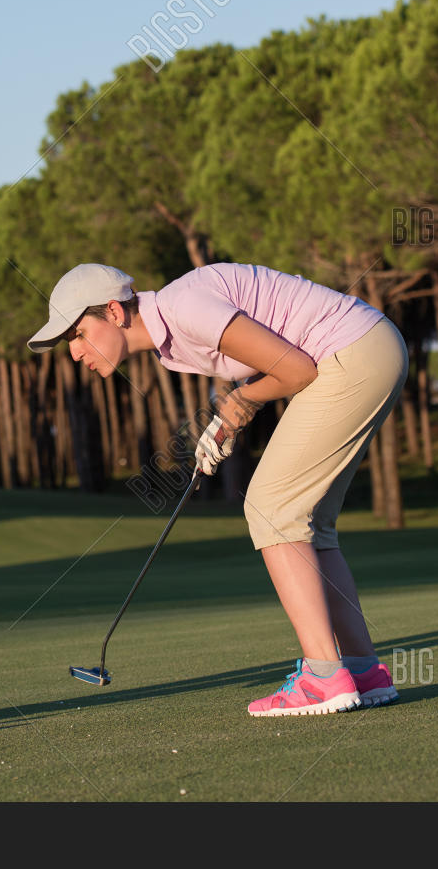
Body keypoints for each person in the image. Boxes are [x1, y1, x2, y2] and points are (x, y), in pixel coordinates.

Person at [28, 262, 408, 716]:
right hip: (366, 349)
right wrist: (228, 417)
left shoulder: (182, 306)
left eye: (76, 335)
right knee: (310, 523)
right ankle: (362, 671)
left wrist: (240, 404)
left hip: (350, 353)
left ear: (113, 311)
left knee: (271, 509)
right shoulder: (170, 336)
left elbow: (296, 370)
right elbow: (277, 364)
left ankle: (325, 677)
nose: (74, 353)